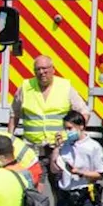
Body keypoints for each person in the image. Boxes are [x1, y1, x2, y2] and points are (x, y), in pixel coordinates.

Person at [7, 56, 90, 188]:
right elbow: (14, 114)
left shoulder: (65, 87)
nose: (41, 73)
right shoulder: (25, 87)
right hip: (33, 151)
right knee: (33, 193)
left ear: (53, 70)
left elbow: (84, 112)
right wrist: (9, 139)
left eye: (45, 69)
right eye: (38, 69)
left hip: (59, 150)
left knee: (61, 191)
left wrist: (73, 134)